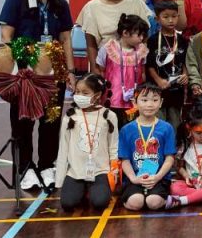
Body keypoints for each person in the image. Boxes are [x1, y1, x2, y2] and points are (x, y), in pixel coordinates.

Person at [0, 0, 77, 190]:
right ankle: (24, 169)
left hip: (53, 71)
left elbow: (65, 39)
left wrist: (70, 71)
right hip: (26, 71)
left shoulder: (60, 5)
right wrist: (22, 62)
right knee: (23, 122)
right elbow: (6, 36)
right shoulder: (16, 0)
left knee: (51, 121)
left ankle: (46, 166)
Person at [76, 0, 152, 78]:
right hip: (106, 65)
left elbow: (145, 37)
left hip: (133, 65)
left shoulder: (136, 2)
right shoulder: (92, 7)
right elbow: (91, 44)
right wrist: (95, 71)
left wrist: (142, 69)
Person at [54, 74, 117, 212]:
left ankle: (93, 190)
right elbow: (63, 150)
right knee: (68, 204)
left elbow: (113, 146)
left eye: (85, 93)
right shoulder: (70, 116)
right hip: (76, 171)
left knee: (100, 202)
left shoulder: (109, 115)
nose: (79, 95)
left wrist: (114, 172)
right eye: (77, 92)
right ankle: (82, 190)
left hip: (100, 170)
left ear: (97, 95)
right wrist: (59, 181)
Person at [118, 84, 177, 211]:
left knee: (153, 202)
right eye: (144, 100)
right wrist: (134, 179)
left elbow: (170, 157)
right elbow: (125, 159)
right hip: (135, 178)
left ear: (161, 103)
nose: (150, 104)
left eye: (155, 100)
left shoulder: (167, 128)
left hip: (158, 178)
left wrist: (157, 177)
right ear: (134, 102)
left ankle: (163, 198)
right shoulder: (126, 130)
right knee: (136, 203)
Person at [94, 13, 150, 125]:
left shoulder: (141, 51)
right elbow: (101, 70)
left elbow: (143, 73)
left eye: (143, 35)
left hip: (134, 102)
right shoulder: (108, 48)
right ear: (125, 33)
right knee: (112, 128)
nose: (142, 38)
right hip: (111, 100)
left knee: (132, 129)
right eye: (139, 35)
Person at [166, 105, 202, 209]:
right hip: (192, 183)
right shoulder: (185, 144)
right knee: (174, 188)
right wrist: (186, 176)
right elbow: (178, 165)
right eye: (198, 133)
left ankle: (183, 200)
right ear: (189, 128)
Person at [146, 0, 188, 131]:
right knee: (158, 122)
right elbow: (149, 64)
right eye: (166, 17)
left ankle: (174, 144)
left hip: (177, 90)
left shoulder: (183, 40)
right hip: (158, 90)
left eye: (174, 16)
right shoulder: (152, 40)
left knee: (175, 123)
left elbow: (185, 61)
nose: (171, 20)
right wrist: (158, 80)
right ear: (157, 19)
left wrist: (185, 74)